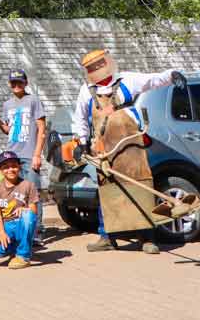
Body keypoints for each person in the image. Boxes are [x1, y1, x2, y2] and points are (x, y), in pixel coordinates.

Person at [70, 49, 184, 255]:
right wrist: (81, 142)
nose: (96, 69)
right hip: (105, 150)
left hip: (132, 146)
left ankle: (147, 238)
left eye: (98, 64)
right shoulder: (86, 91)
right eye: (92, 67)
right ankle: (107, 237)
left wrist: (171, 75)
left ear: (105, 62)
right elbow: (80, 119)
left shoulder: (127, 80)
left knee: (140, 186)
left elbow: (152, 80)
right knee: (108, 191)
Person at [0, 69, 47, 237]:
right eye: (13, 82)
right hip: (12, 155)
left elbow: (41, 129)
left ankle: (36, 230)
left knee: (33, 192)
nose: (16, 85)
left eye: (20, 82)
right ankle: (21, 228)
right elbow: (8, 130)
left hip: (29, 154)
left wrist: (37, 154)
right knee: (16, 194)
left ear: (26, 83)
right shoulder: (7, 104)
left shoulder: (33, 100)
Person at [0, 152, 39, 269]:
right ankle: (15, 248)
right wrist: (1, 232)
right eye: (6, 167)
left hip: (21, 223)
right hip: (6, 225)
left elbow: (34, 211)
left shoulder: (28, 185)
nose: (10, 169)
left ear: (19, 166)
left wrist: (24, 209)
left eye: (14, 166)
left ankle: (23, 256)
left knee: (28, 215)